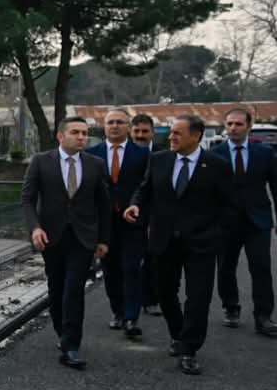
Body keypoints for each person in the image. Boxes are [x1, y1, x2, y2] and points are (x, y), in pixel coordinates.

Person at [125, 114, 237, 375]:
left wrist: (215, 234)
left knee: (198, 297)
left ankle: (189, 349)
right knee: (164, 292)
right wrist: (135, 205)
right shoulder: (159, 159)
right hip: (164, 240)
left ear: (196, 136)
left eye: (177, 133)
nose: (171, 137)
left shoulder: (217, 166)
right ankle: (178, 334)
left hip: (201, 243)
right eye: (171, 132)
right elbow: (145, 189)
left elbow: (229, 206)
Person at [22, 116, 112, 369]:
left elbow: (104, 205)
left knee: (74, 288)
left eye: (84, 133)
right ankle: (62, 333)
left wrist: (104, 239)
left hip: (83, 238)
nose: (82, 137)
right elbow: (27, 199)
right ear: (61, 136)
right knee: (57, 287)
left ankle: (71, 346)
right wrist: (35, 228)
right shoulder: (41, 161)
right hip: (51, 236)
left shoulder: (95, 164)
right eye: (76, 132)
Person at [88, 109, 149, 338]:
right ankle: (118, 312)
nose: (115, 126)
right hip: (104, 224)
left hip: (132, 221)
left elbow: (147, 186)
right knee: (110, 270)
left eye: (120, 122)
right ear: (104, 126)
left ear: (128, 126)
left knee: (131, 268)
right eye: (110, 122)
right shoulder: (91, 154)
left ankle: (132, 318)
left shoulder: (143, 155)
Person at [215, 108, 277, 337]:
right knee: (225, 267)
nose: (233, 128)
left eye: (239, 124)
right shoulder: (216, 154)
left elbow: (276, 187)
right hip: (225, 222)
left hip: (257, 221)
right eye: (229, 124)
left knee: (261, 267)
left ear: (249, 126)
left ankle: (263, 316)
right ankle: (231, 307)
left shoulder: (265, 153)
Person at [130, 114, 160, 316]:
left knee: (152, 260)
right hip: (126, 213)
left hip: (154, 215)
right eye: (136, 131)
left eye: (145, 131)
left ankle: (150, 299)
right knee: (128, 262)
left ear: (152, 133)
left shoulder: (163, 154)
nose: (140, 135)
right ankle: (127, 303)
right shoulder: (122, 153)